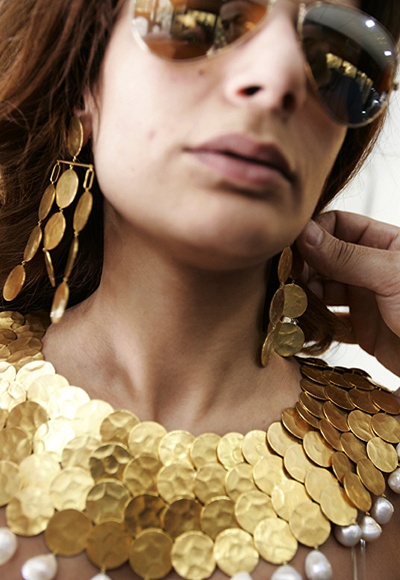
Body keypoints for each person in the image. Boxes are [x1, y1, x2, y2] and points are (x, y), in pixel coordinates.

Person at [0, 1, 399, 579]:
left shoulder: (387, 480)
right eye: (200, 16)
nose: (282, 79)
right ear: (86, 80)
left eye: (338, 54)